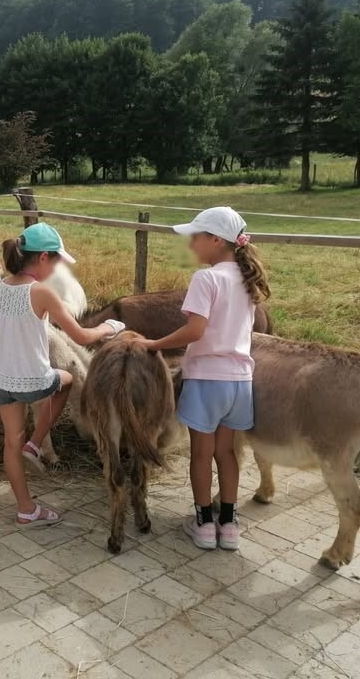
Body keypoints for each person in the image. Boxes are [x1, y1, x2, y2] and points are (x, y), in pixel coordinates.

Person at [141, 207, 270, 551]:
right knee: (227, 453)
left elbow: (195, 331)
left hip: (206, 380)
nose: (192, 243)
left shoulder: (206, 279)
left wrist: (153, 344)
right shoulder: (245, 279)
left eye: (196, 237)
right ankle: (228, 524)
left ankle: (202, 524)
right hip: (239, 381)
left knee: (201, 454)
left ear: (216, 240)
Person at [0, 223, 124, 527]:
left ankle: (25, 508)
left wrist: (9, 343)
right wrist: (109, 328)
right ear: (43, 258)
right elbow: (83, 336)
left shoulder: (0, 287)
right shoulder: (42, 292)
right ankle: (37, 441)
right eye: (57, 261)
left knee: (10, 443)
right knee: (66, 382)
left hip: (1, 380)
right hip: (33, 381)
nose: (57, 268)